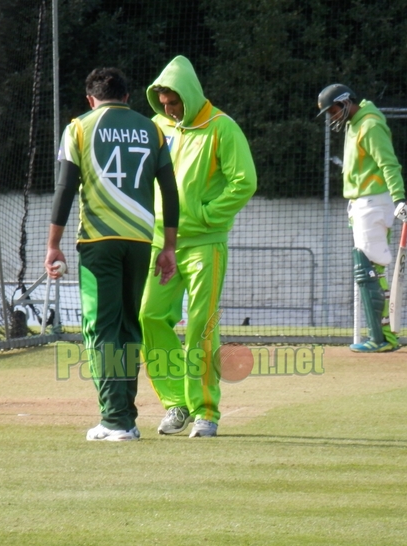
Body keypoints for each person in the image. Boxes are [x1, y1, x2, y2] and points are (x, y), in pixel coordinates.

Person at [45, 67, 179, 441]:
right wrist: (169, 247)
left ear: (91, 99)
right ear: (127, 97)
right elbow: (170, 191)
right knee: (128, 328)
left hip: (98, 243)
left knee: (102, 330)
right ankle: (127, 417)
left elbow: (65, 189)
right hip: (140, 243)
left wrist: (53, 244)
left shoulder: (79, 127)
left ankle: (115, 421)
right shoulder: (152, 129)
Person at [139, 55, 257, 438]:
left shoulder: (222, 128)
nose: (169, 109)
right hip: (161, 243)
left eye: (174, 102)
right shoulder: (157, 126)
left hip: (206, 244)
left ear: (188, 95)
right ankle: (177, 404)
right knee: (149, 317)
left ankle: (206, 411)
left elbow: (244, 181)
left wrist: (207, 215)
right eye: (164, 103)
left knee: (200, 328)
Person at [316, 83, 407, 353]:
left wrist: (398, 198)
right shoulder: (354, 125)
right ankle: (381, 335)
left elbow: (389, 163)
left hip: (374, 202)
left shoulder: (370, 125)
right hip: (362, 203)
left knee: (370, 269)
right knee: (370, 268)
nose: (332, 116)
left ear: (346, 102)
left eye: (333, 110)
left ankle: (383, 338)